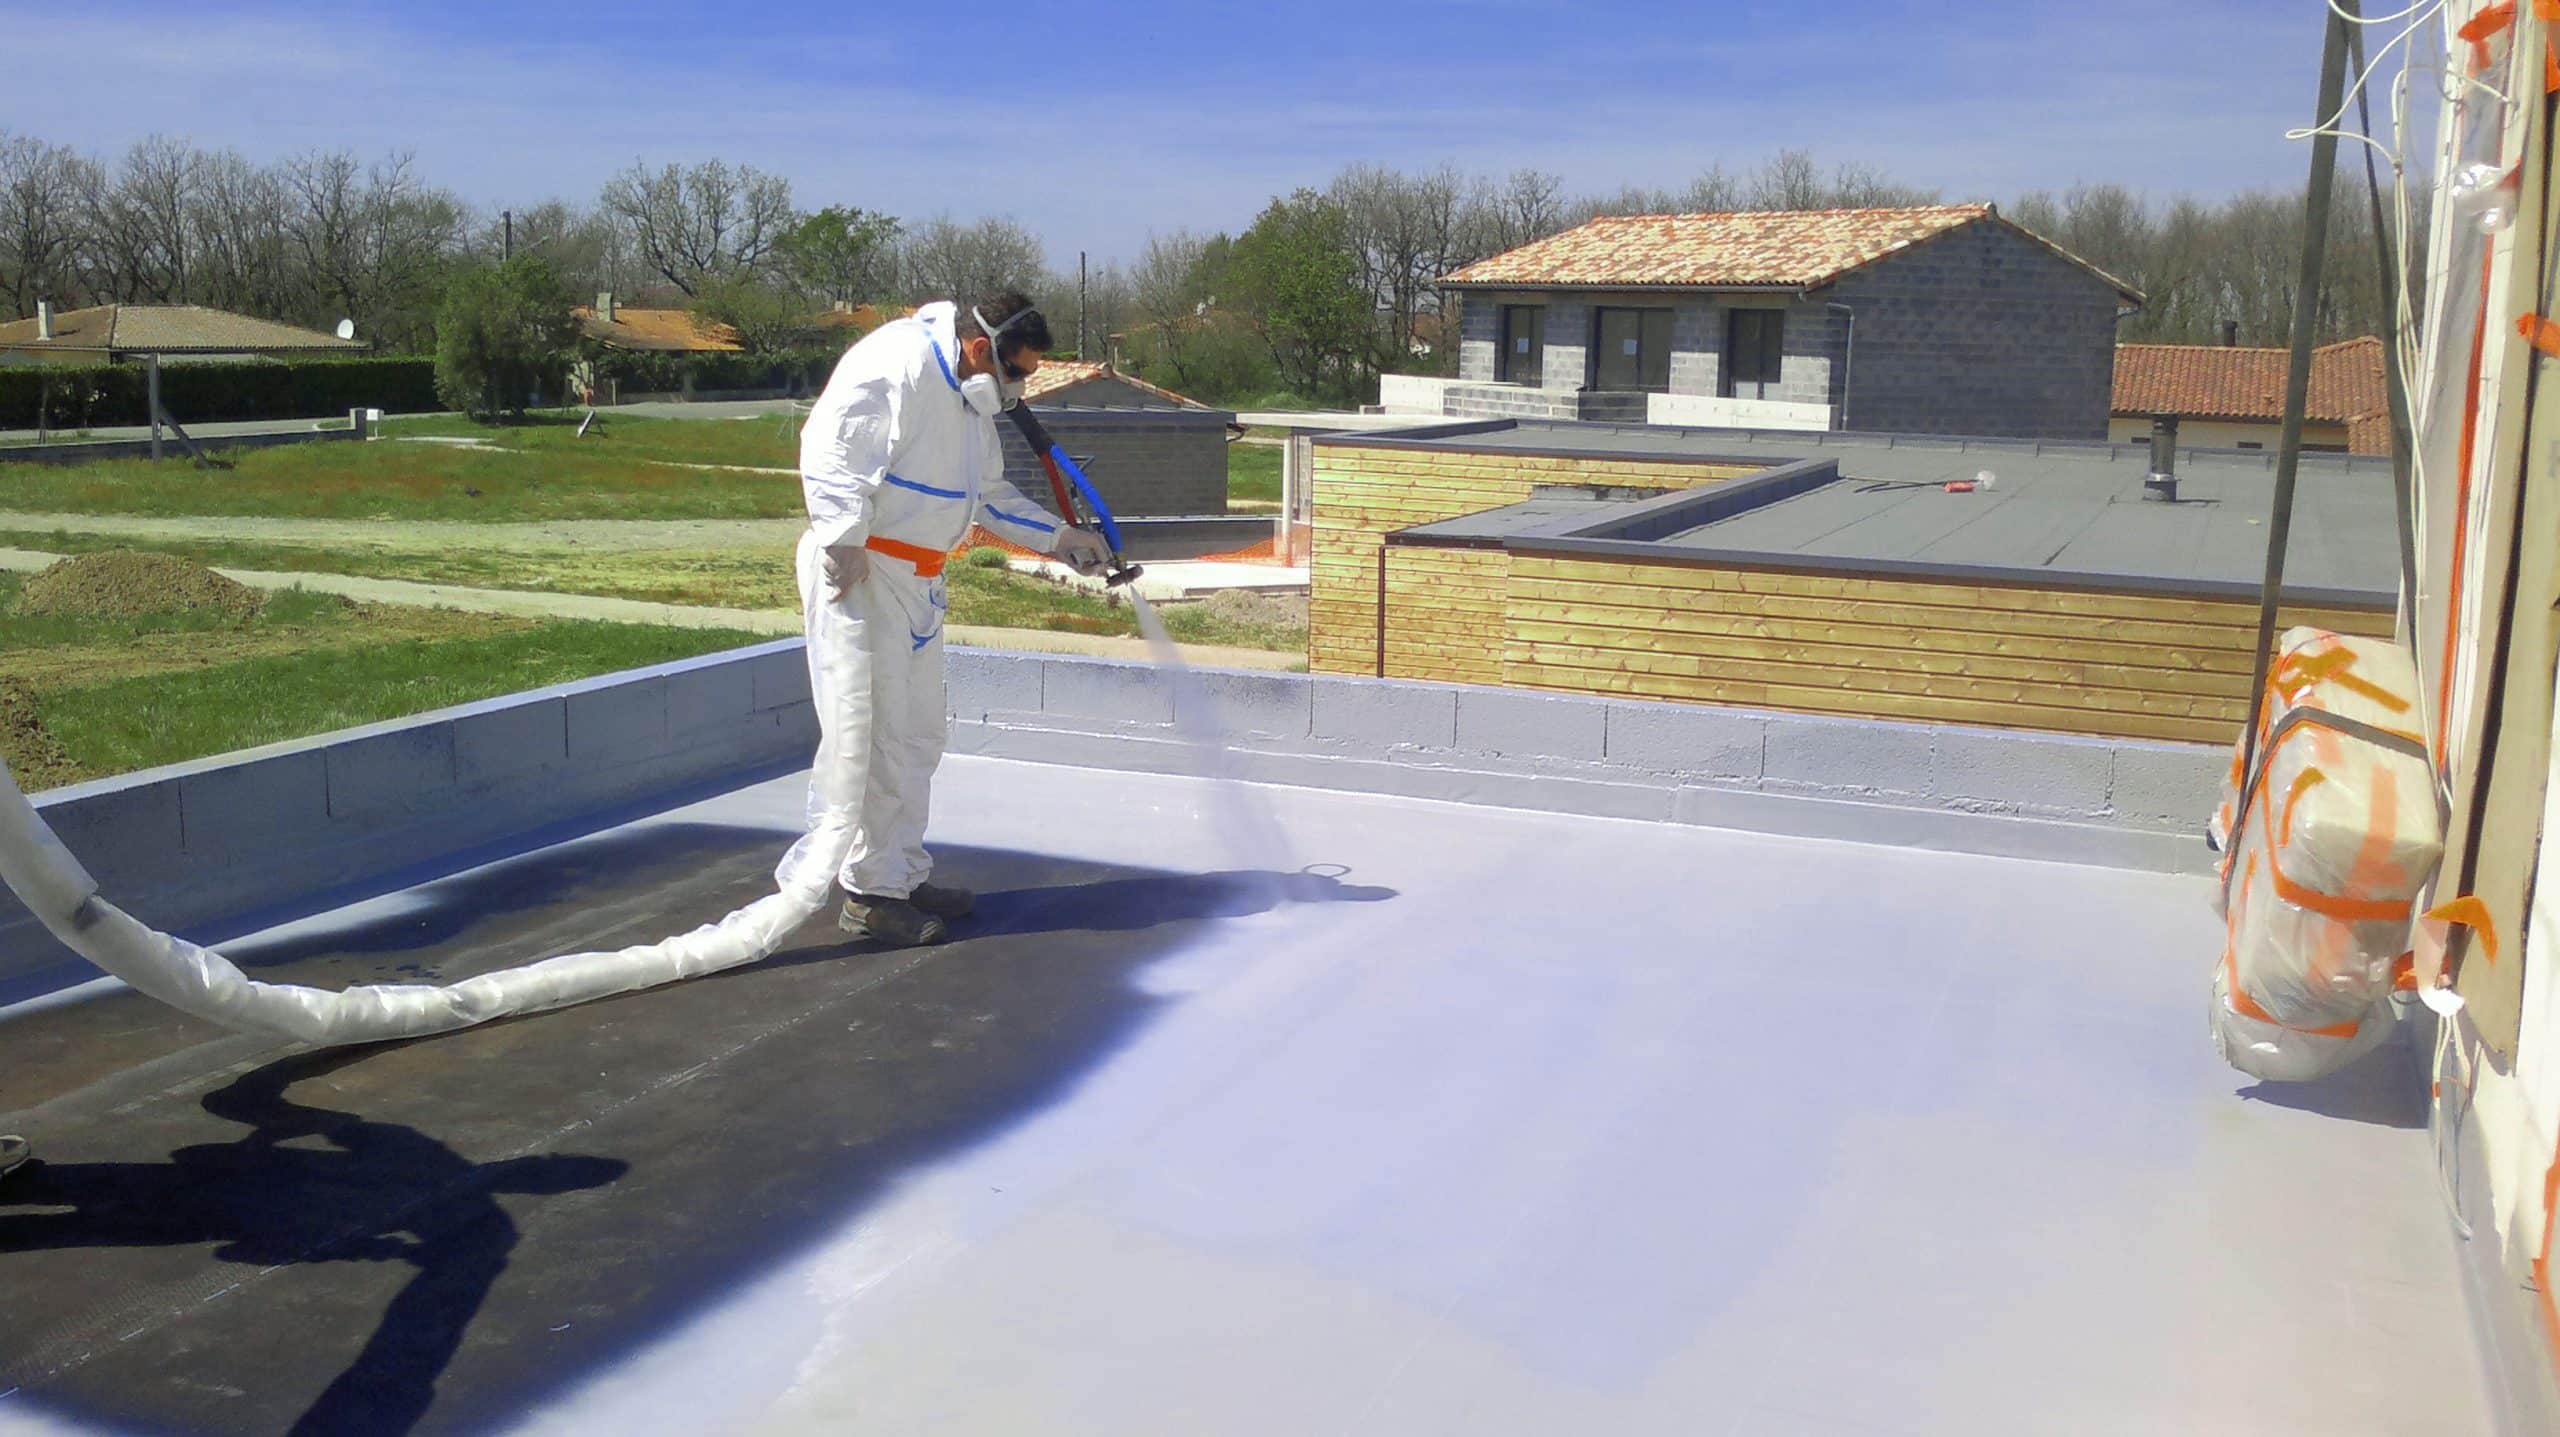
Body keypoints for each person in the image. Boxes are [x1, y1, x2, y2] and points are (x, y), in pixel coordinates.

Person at [776, 291, 1111, 948]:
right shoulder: (897, 362)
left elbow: (988, 497)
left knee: (919, 736)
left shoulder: (969, 404)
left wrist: (1059, 538)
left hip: (919, 580)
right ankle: (870, 895)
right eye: (1017, 372)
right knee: (877, 738)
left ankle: (900, 873)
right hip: (864, 572)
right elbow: (830, 447)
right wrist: (842, 540)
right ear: (981, 349)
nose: (1019, 390)